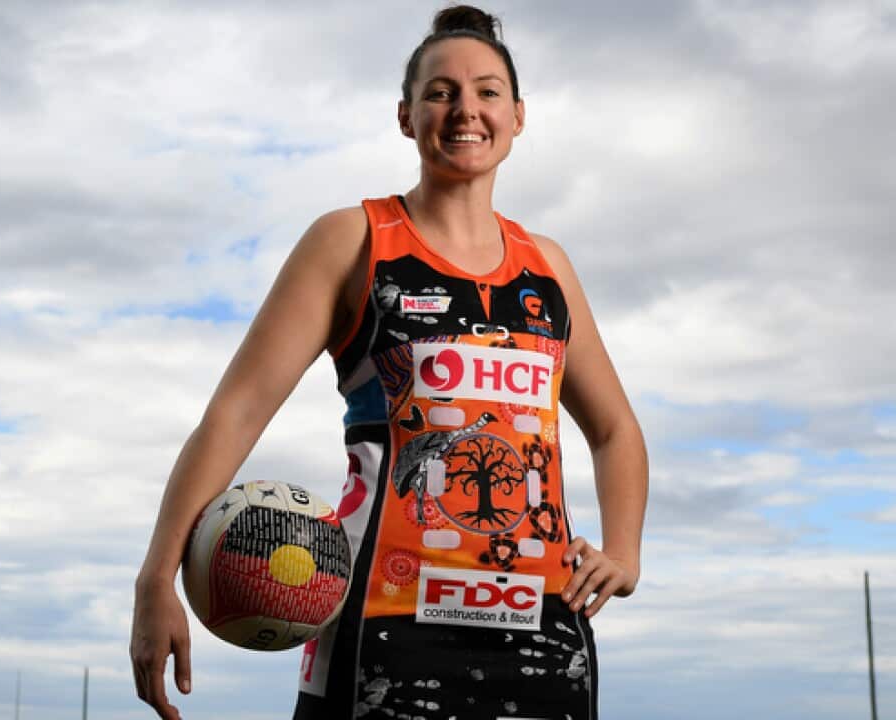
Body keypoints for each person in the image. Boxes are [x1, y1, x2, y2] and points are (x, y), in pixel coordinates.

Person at [130, 6, 648, 719]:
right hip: (383, 627)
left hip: (544, 637)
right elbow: (237, 410)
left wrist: (623, 550)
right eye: (441, 92)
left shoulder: (547, 267)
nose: (466, 108)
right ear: (406, 115)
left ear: (519, 115)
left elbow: (615, 430)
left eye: (487, 91)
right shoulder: (354, 241)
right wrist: (157, 577)